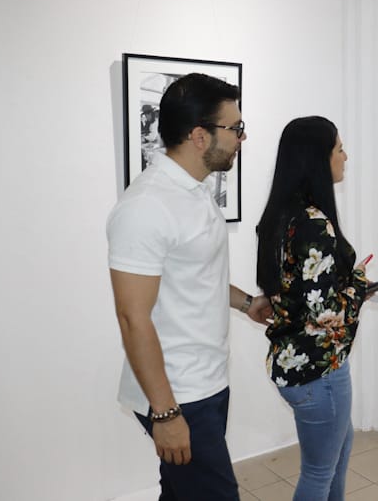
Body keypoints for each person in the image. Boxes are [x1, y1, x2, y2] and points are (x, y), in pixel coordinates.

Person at [107, 73, 272, 501]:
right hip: (179, 393)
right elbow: (132, 317)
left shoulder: (195, 192)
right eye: (235, 127)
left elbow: (197, 277)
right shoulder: (147, 206)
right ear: (200, 136)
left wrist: (247, 303)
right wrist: (165, 414)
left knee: (180, 493)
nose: (242, 137)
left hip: (208, 381)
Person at [256, 116, 372, 501]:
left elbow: (293, 292)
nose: (345, 157)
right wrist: (358, 284)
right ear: (318, 158)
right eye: (339, 149)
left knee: (338, 450)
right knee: (319, 472)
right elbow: (325, 315)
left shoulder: (278, 216)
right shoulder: (314, 223)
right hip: (319, 370)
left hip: (291, 363)